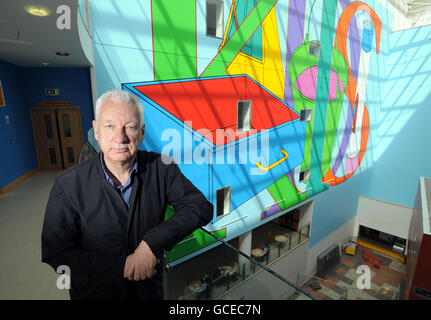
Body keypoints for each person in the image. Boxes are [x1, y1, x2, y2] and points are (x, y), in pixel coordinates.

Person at [41, 89, 213, 300]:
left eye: (129, 127)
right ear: (96, 130)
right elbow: (57, 253)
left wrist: (151, 243)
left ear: (141, 132)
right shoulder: (68, 184)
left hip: (148, 293)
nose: (119, 137)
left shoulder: (161, 167)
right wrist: (123, 266)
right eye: (109, 126)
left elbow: (201, 207)